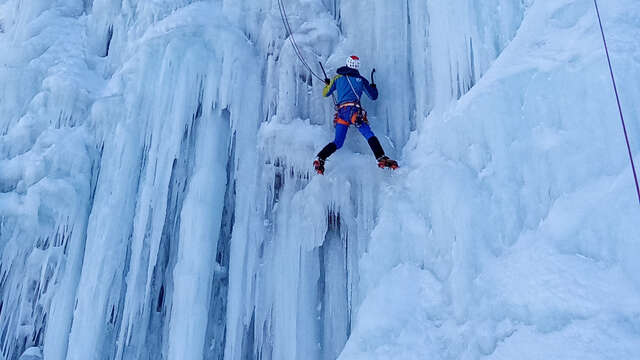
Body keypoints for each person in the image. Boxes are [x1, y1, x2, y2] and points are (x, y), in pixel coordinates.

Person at [313, 55, 398, 175]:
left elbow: (326, 93)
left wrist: (328, 84)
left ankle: (320, 158)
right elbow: (373, 96)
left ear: (347, 64)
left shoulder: (338, 78)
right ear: (358, 66)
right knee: (368, 134)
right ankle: (381, 157)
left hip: (342, 114)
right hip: (354, 112)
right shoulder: (361, 80)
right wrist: (373, 87)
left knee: (338, 142)